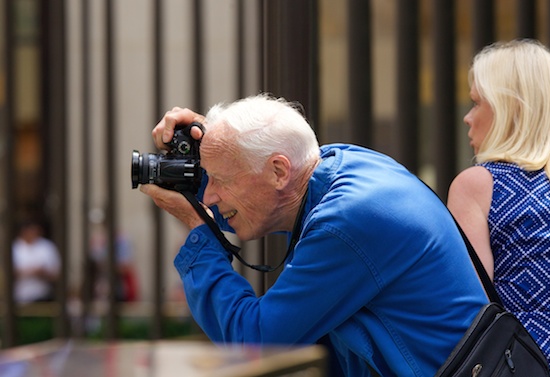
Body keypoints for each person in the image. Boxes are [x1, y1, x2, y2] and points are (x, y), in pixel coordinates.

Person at [139, 94, 488, 376]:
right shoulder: (340, 163)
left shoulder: (346, 221)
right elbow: (249, 208)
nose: (210, 197)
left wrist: (198, 230)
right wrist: (215, 141)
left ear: (278, 170)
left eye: (221, 180)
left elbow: (254, 342)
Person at [447, 39, 550, 377]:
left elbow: (466, 313)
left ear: (510, 109)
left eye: (476, 103)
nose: (467, 118)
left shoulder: (480, 186)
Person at [12, 219, 61, 303]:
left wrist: (43, 273)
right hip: (19, 297)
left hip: (43, 296)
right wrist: (30, 272)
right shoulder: (14, 248)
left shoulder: (47, 247)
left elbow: (57, 273)